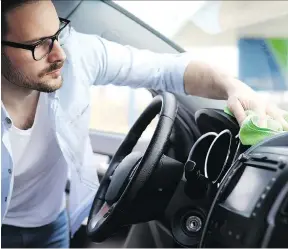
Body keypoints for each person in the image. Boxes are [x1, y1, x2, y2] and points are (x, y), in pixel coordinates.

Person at [1, 0, 287, 248]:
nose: (59, 54)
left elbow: (166, 69)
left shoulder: (77, 54)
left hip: (53, 224)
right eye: (38, 44)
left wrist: (232, 87)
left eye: (57, 32)